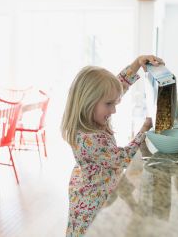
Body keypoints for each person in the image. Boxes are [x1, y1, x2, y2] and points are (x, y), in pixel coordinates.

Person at [61, 55, 162, 236]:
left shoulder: (91, 116)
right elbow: (123, 158)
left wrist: (137, 63)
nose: (114, 109)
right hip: (92, 201)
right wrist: (145, 129)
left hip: (98, 183)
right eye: (109, 104)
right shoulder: (89, 139)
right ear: (88, 101)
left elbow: (118, 86)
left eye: (114, 103)